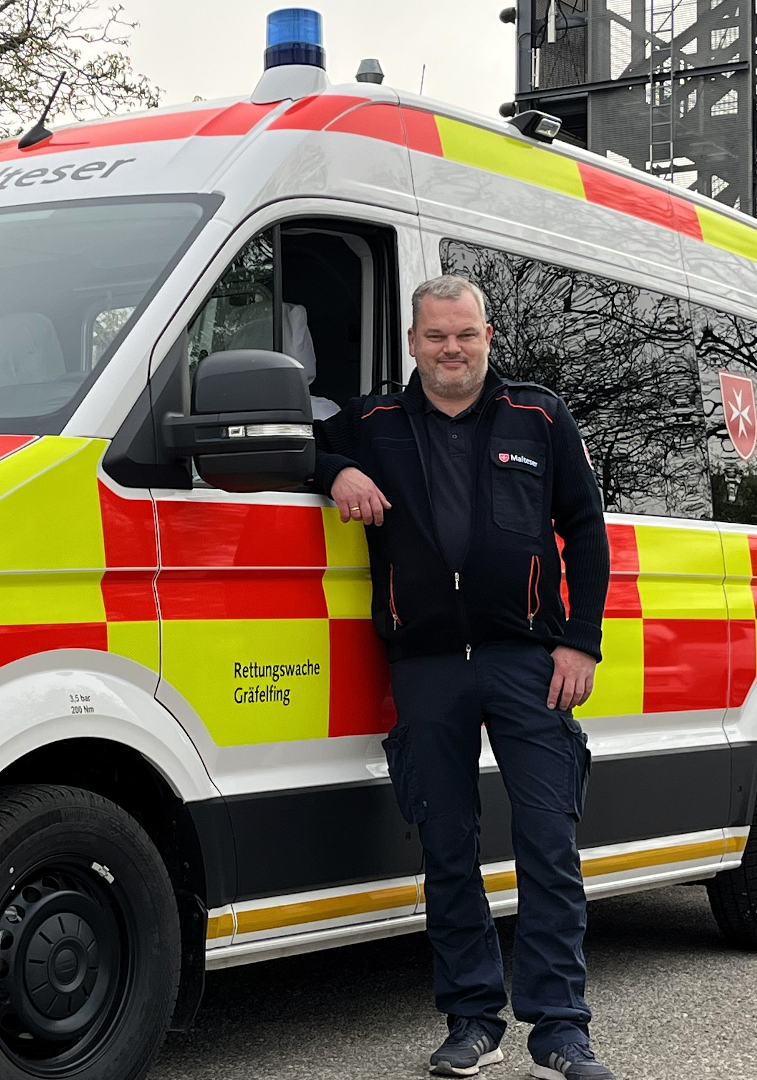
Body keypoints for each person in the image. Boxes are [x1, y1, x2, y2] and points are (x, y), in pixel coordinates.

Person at [313, 275, 613, 1080]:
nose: (453, 350)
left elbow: (585, 529)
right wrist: (336, 471)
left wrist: (580, 641)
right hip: (428, 666)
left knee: (549, 844)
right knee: (447, 849)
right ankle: (472, 1020)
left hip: (528, 662)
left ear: (488, 338)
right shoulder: (373, 422)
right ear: (412, 343)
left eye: (467, 335)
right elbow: (307, 437)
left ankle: (560, 1028)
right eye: (437, 337)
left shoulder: (540, 415)